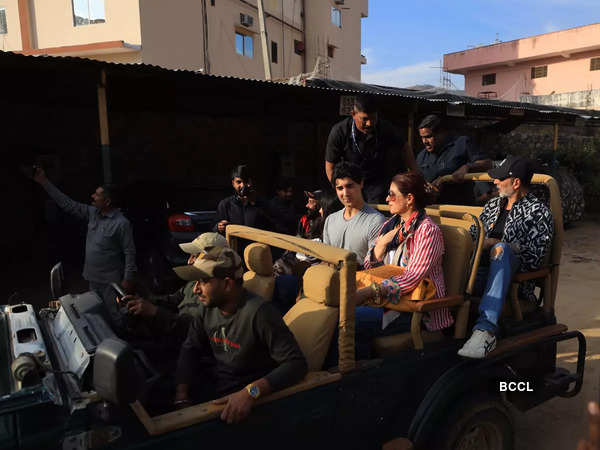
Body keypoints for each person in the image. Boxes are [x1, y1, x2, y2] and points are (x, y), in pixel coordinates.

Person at [173, 246, 307, 423]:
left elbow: (296, 364)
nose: (196, 289)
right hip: (215, 386)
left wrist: (251, 392)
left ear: (227, 284)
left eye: (204, 281)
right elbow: (190, 348)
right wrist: (181, 395)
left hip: (241, 405)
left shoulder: (259, 313)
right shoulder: (206, 308)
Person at [458, 156, 554, 359]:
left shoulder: (538, 212)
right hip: (477, 272)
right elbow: (474, 237)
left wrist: (500, 246)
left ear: (516, 182)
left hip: (511, 280)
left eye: (500, 178)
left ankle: (486, 331)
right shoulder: (493, 206)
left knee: (501, 249)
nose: (494, 182)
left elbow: (534, 259)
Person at [352, 172, 452, 359]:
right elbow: (370, 266)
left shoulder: (427, 231)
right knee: (340, 314)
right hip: (387, 301)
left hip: (415, 310)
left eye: (392, 194)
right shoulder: (392, 224)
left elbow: (412, 278)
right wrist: (380, 246)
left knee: (350, 320)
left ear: (409, 199)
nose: (386, 199)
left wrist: (368, 292)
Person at [32, 167, 137, 297]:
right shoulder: (93, 213)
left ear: (107, 202)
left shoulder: (121, 223)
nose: (92, 196)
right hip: (92, 279)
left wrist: (128, 279)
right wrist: (44, 181)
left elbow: (130, 252)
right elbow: (67, 204)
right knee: (97, 312)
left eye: (97, 195)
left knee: (114, 315)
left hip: (111, 282)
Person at [124, 233, 229, 345]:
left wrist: (154, 312)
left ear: (213, 258)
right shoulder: (193, 282)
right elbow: (173, 300)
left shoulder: (217, 291)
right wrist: (143, 301)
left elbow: (197, 329)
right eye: (190, 255)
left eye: (196, 256)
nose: (189, 261)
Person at [325, 96, 418, 203]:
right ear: (353, 114)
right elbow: (330, 167)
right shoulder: (339, 132)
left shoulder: (385, 128)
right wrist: (340, 190)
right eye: (364, 119)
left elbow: (405, 148)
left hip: (378, 184)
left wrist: (416, 177)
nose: (369, 123)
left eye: (373, 119)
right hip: (351, 183)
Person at [323, 162, 386, 266]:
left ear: (361, 183)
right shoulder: (330, 220)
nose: (345, 193)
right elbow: (326, 259)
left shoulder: (376, 221)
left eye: (349, 186)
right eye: (340, 188)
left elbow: (374, 265)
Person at [416, 114, 492, 192]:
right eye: (422, 137)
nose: (425, 142)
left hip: (459, 203)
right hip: (432, 204)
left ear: (442, 133)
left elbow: (487, 164)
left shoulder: (462, 143)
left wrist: (467, 167)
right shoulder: (421, 156)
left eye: (428, 136)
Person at [214, 165, 271, 235]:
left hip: (256, 245)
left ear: (250, 182)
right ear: (233, 183)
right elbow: (214, 229)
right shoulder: (225, 204)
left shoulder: (262, 203)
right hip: (233, 245)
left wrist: (256, 203)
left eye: (246, 181)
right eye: (239, 182)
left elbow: (273, 226)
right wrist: (219, 227)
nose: (243, 185)